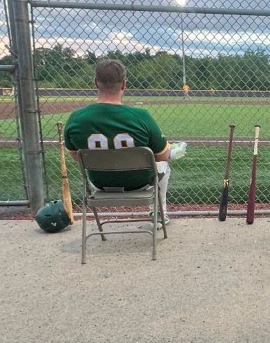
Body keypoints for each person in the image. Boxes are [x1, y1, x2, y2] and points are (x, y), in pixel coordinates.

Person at [64, 59, 186, 225]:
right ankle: (159, 214)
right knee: (163, 164)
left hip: (100, 183)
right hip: (139, 183)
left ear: (96, 83)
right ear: (124, 84)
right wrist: (174, 150)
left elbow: (77, 157)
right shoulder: (141, 116)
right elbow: (162, 155)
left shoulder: (76, 118)